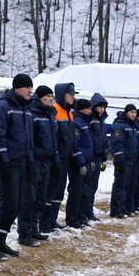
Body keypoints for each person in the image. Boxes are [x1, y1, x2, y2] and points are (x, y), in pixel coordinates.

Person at [0, 74, 34, 261]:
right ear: (16, 88)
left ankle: (1, 241)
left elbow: (29, 138)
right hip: (10, 164)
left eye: (31, 87)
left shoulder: (26, 108)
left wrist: (30, 160)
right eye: (27, 87)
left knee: (17, 205)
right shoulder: (3, 107)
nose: (30, 90)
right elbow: (0, 136)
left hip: (22, 163)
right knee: (9, 205)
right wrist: (4, 161)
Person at [17, 85, 59, 245]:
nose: (50, 99)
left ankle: (34, 229)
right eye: (47, 96)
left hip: (46, 162)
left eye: (52, 96)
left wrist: (54, 157)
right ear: (40, 97)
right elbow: (30, 140)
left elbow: (54, 139)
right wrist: (31, 160)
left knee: (40, 198)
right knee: (29, 198)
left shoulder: (50, 115)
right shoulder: (32, 114)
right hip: (34, 162)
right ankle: (24, 233)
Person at [40, 82, 76, 232]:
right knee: (50, 191)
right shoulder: (55, 111)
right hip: (56, 159)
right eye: (70, 94)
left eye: (74, 95)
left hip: (66, 158)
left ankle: (52, 220)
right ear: (62, 95)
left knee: (59, 192)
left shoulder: (69, 113)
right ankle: (44, 222)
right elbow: (53, 137)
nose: (73, 97)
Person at [66, 98, 94, 228]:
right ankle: (72, 219)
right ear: (81, 109)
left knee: (85, 191)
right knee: (76, 192)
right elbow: (75, 144)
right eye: (88, 109)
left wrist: (90, 160)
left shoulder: (84, 122)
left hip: (86, 161)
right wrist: (80, 162)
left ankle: (81, 216)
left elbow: (88, 144)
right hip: (78, 164)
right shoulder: (76, 123)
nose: (90, 111)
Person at [109, 104, 138, 218]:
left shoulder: (131, 126)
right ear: (126, 112)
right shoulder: (120, 126)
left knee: (126, 184)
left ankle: (122, 207)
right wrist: (120, 159)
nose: (133, 114)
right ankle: (115, 210)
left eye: (135, 112)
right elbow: (117, 143)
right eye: (131, 112)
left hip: (130, 159)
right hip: (123, 160)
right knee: (120, 185)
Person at [86, 92, 109, 221]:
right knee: (88, 186)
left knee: (93, 186)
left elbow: (104, 141)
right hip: (91, 157)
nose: (101, 110)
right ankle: (85, 211)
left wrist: (105, 158)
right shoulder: (91, 120)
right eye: (99, 107)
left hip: (99, 157)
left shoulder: (102, 121)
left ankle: (89, 211)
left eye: (103, 107)